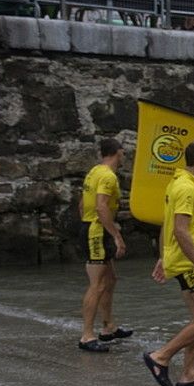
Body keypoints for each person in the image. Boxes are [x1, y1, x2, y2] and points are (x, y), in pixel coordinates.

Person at [142, 140, 194, 386]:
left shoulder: (178, 183)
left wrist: (164, 255)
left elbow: (168, 223)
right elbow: (180, 229)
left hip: (179, 259)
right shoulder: (187, 188)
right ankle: (161, 357)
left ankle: (189, 375)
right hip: (189, 264)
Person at [78, 138, 131, 352]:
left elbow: (82, 204)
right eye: (123, 152)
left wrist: (86, 223)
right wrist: (116, 236)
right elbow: (101, 207)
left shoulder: (94, 171)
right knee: (97, 284)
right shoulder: (108, 176)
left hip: (92, 229)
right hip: (97, 232)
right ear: (117, 152)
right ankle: (87, 336)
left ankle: (108, 327)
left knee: (110, 280)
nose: (124, 156)